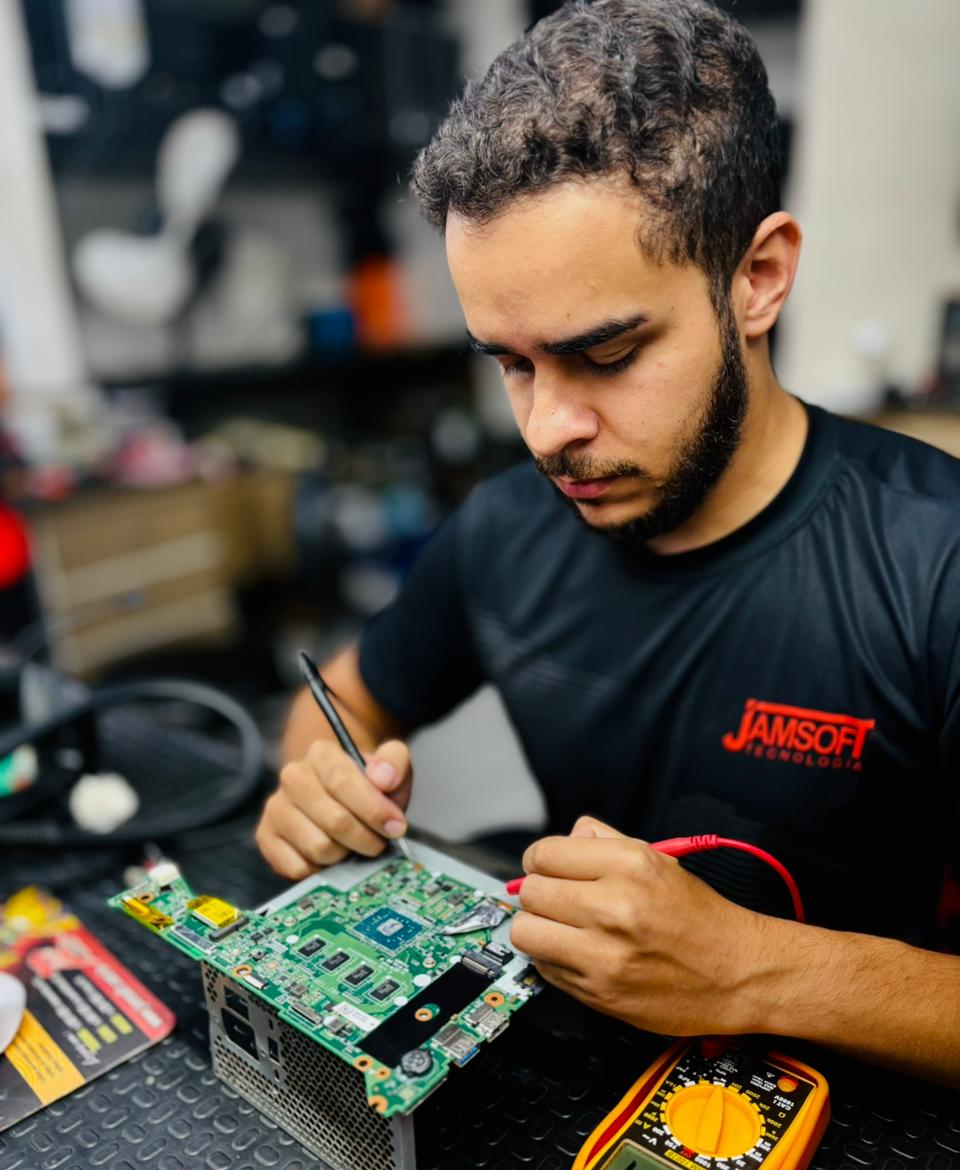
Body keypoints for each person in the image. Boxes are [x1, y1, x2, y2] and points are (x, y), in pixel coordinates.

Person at [257, 0, 960, 1085]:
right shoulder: (503, 527)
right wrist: (319, 783)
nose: (548, 430)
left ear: (758, 276)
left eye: (608, 352)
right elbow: (335, 704)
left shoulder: (935, 561)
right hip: (560, 1099)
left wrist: (755, 970)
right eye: (512, 363)